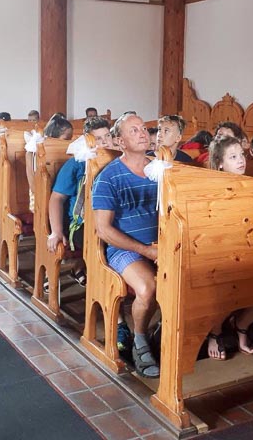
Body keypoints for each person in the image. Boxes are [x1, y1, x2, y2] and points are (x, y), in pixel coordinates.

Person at [92, 113, 160, 378]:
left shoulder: (160, 170)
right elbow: (104, 230)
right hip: (124, 250)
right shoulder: (109, 177)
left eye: (143, 128)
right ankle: (139, 340)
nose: (142, 133)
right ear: (120, 142)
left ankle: (166, 333)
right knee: (148, 287)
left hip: (161, 245)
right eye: (134, 130)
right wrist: (146, 251)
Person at [46, 117, 115, 289]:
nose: (105, 142)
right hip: (81, 223)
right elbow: (57, 198)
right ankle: (103, 289)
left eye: (107, 136)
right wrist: (56, 231)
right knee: (106, 243)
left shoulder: (117, 160)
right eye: (98, 139)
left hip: (110, 219)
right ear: (88, 141)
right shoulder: (77, 163)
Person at [204, 136, 249, 360]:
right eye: (233, 157)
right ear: (220, 163)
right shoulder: (212, 189)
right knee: (225, 278)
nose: (241, 160)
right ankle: (215, 331)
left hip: (246, 248)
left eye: (242, 155)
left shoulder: (251, 184)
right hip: (218, 251)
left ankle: (243, 323)